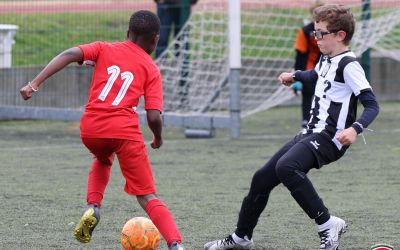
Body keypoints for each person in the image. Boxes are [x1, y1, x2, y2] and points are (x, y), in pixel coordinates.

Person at [204, 4, 379, 250]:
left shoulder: (349, 64)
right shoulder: (327, 58)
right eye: (315, 33)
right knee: (262, 179)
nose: (315, 38)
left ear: (340, 35)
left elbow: (372, 105)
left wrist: (355, 128)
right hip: (311, 132)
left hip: (331, 137)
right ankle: (242, 237)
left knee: (287, 167)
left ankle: (328, 224)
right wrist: (295, 75)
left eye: (321, 33)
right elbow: (317, 76)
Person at [20, 10, 185, 250]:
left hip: (91, 128)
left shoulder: (103, 48)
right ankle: (176, 244)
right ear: (156, 39)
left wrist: (34, 83)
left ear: (128, 33)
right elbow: (153, 115)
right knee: (147, 195)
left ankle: (93, 207)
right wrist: (158, 137)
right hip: (124, 132)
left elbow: (69, 54)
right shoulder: (151, 68)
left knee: (102, 157)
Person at [293, 0, 324, 130]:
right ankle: (307, 122)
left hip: (324, 68)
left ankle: (315, 122)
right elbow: (300, 54)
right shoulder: (306, 31)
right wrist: (297, 77)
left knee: (320, 95)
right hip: (311, 69)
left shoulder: (329, 31)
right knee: (309, 95)